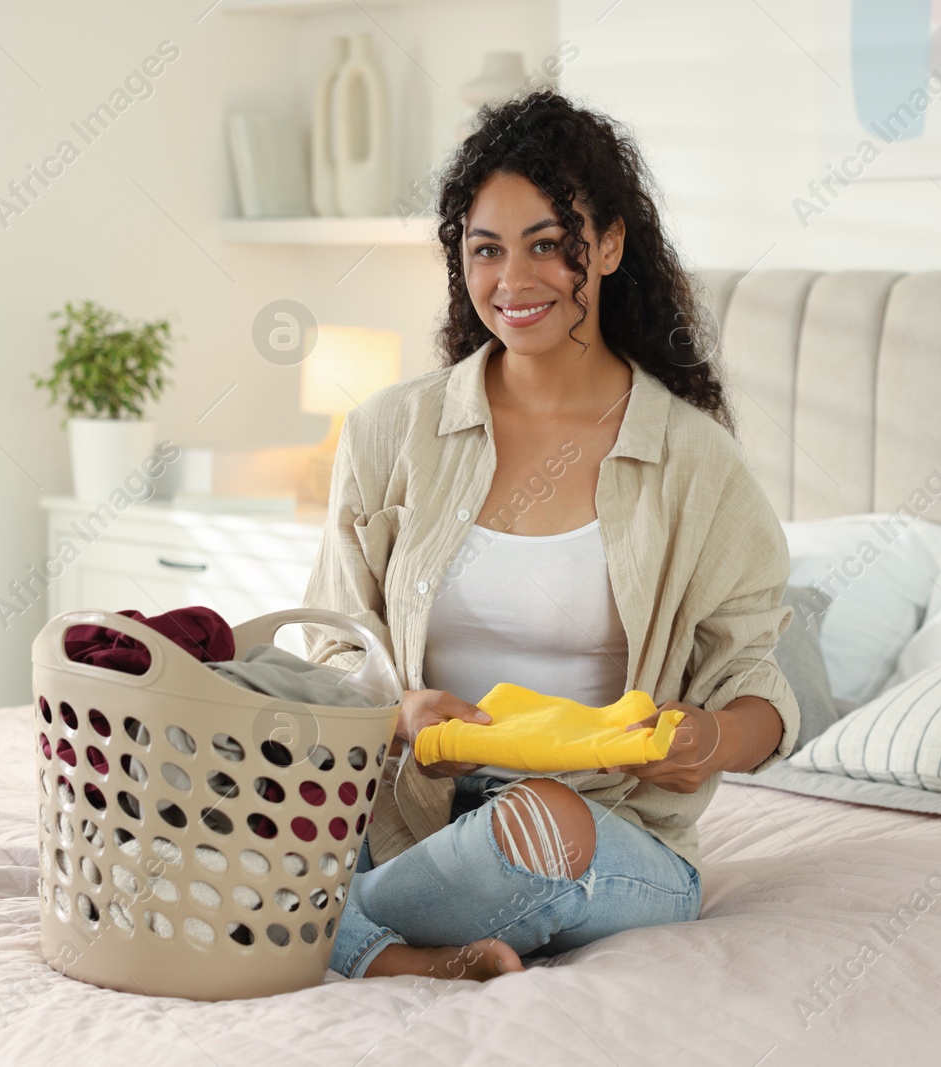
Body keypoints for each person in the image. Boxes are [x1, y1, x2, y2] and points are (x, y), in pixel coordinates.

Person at [301, 87, 799, 983]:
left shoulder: (693, 462)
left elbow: (756, 687)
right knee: (206, 766)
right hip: (403, 816)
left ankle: (321, 930)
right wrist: (400, 713)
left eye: (547, 245)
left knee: (542, 822)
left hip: (600, 833)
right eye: (486, 249)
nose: (513, 281)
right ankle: (407, 948)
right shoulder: (389, 432)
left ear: (607, 245)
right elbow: (335, 650)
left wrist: (706, 741)